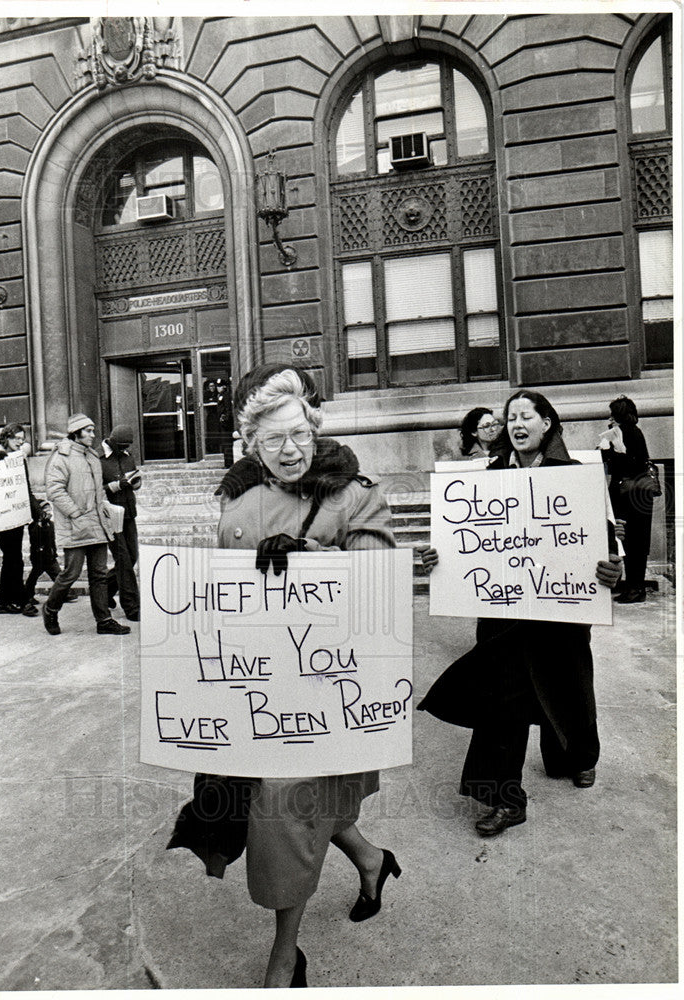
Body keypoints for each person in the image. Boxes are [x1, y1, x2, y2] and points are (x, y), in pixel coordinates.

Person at [212, 364, 400, 987]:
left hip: (330, 691)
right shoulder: (236, 506)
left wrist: (324, 564)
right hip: (261, 690)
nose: (290, 450)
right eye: (273, 440)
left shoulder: (355, 496)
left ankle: (285, 954)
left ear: (314, 428)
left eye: (299, 434)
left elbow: (378, 594)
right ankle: (371, 860)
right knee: (298, 805)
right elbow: (216, 603)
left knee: (283, 808)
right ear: (251, 445)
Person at [418, 390, 622, 838]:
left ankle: (577, 757)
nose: (515, 423)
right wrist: (440, 561)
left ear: (547, 423)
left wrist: (611, 567)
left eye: (525, 415)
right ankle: (505, 799)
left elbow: (605, 541)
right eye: (509, 417)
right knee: (501, 700)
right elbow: (460, 539)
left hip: (561, 610)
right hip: (502, 612)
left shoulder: (576, 477)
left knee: (568, 686)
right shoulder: (485, 480)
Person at [42, 413, 130, 637]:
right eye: (88, 431)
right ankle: (51, 609)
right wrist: (75, 513)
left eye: (92, 430)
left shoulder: (91, 456)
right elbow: (54, 490)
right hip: (75, 525)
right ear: (76, 432)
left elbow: (98, 489)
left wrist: (106, 512)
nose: (93, 434)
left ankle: (104, 621)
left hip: (97, 523)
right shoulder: (61, 456)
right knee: (70, 574)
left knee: (99, 574)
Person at [600, 395, 655, 604]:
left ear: (617, 415)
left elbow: (624, 466)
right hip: (640, 495)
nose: (610, 417)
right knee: (636, 542)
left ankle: (635, 589)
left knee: (629, 541)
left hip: (627, 495)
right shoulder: (635, 432)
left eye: (612, 414)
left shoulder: (620, 434)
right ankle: (634, 586)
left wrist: (610, 451)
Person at [0, 423, 40, 616]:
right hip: (0, 516)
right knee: (14, 558)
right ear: (6, 438)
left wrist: (36, 510)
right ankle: (22, 601)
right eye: (16, 438)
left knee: (12, 558)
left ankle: (5, 602)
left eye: (22, 439)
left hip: (15, 514)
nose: (20, 441)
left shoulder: (19, 460)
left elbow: (25, 487)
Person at [99, 424, 142, 622]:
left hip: (128, 513)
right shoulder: (98, 460)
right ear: (113, 442)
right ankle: (132, 607)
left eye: (128, 446)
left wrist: (135, 481)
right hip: (111, 515)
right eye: (123, 445)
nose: (126, 449)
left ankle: (106, 591)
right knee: (124, 560)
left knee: (132, 556)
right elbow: (96, 490)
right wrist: (117, 485)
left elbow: (136, 481)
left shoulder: (128, 457)